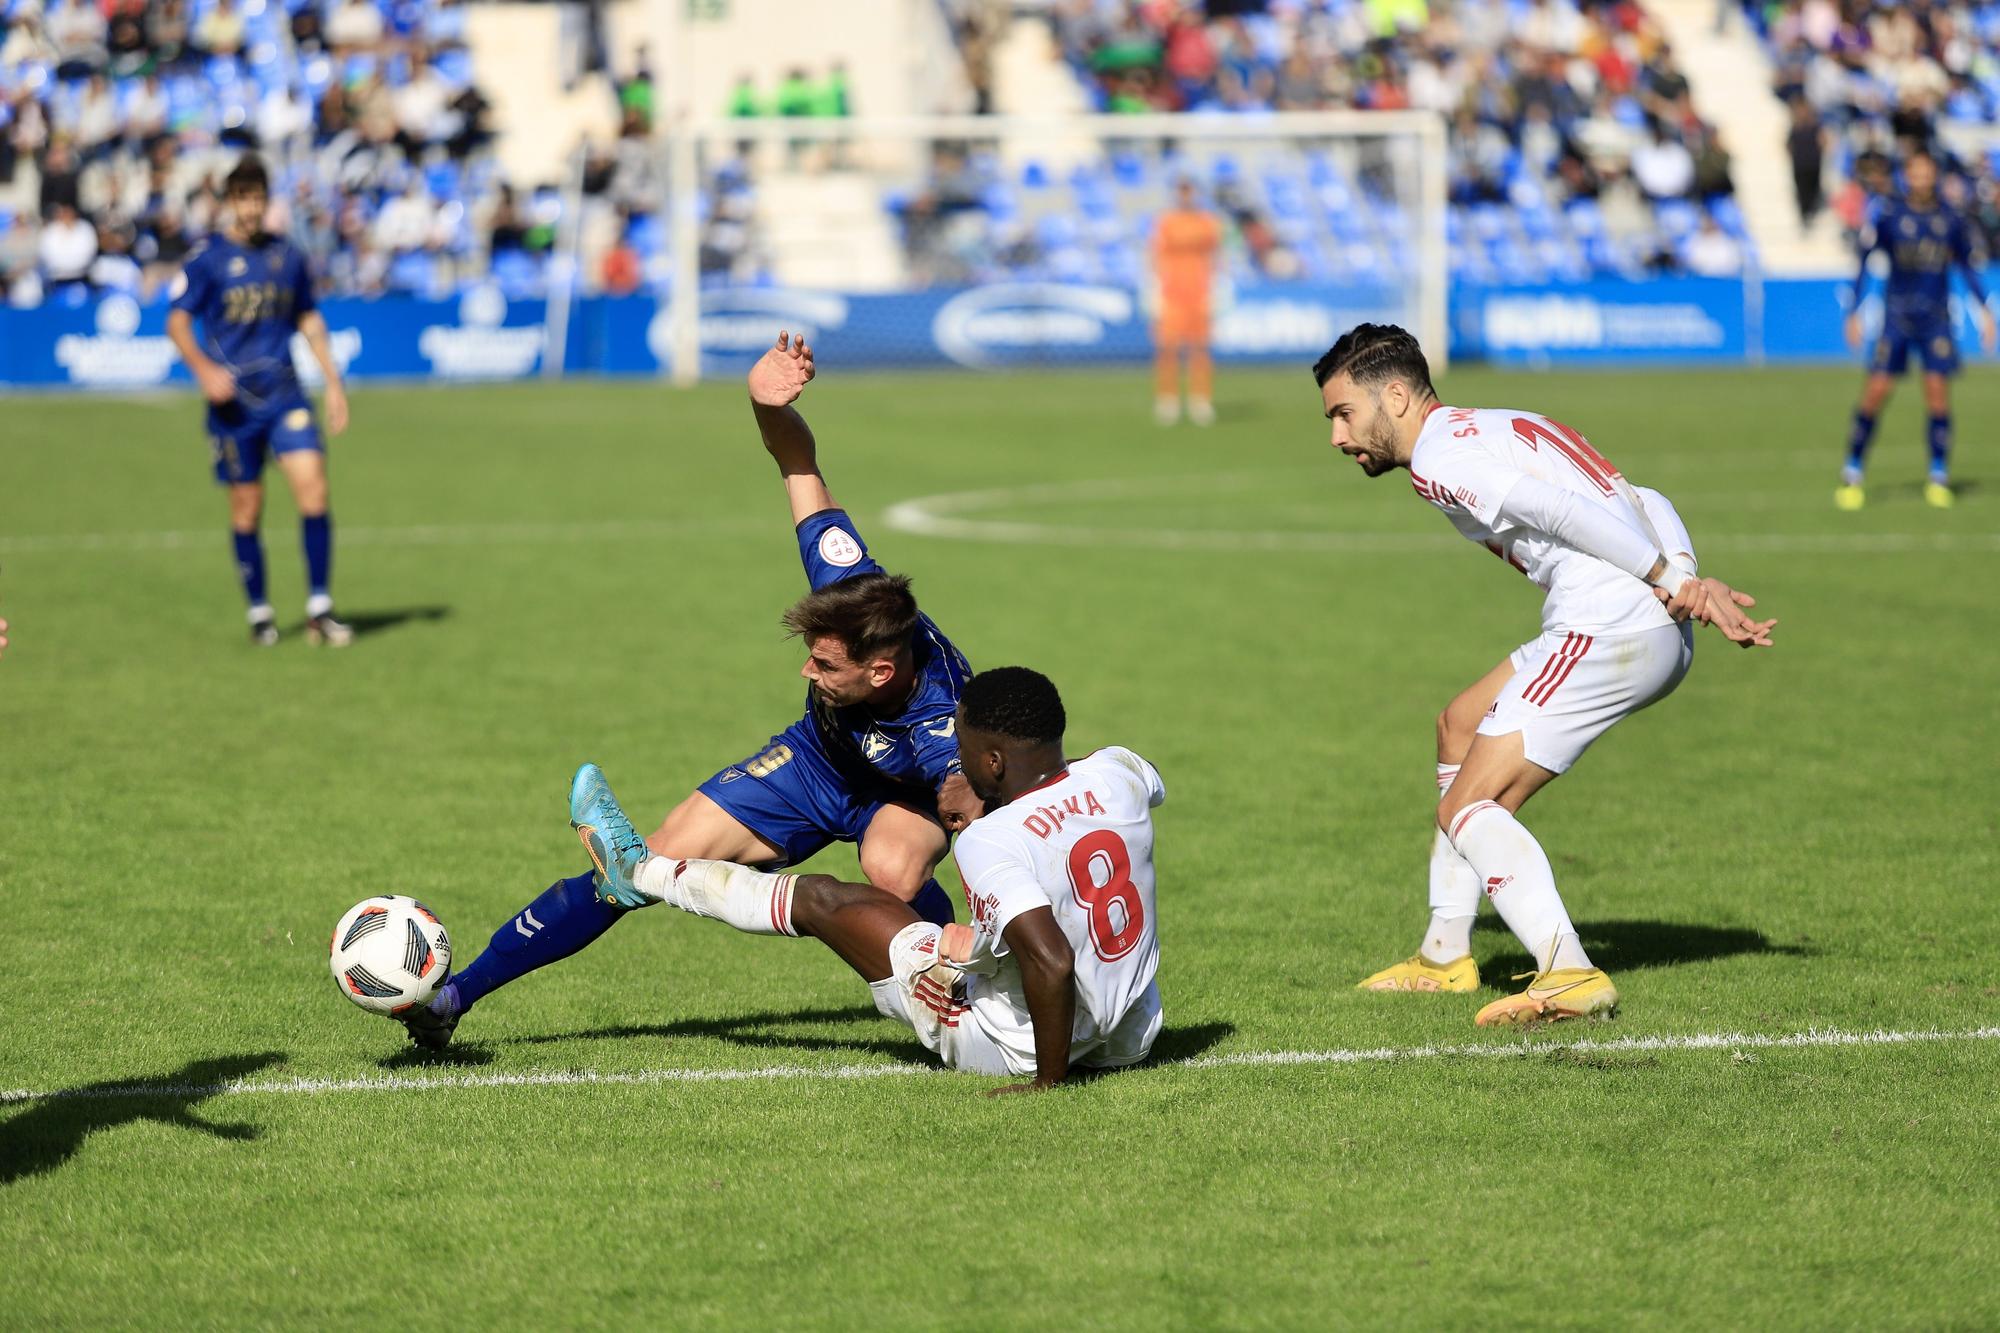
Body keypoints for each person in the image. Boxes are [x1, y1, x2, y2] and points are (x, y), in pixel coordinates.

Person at [401, 332, 980, 1049]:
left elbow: (980, 817)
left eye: (825, 666)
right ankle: (455, 997)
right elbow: (797, 461)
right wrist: (765, 404)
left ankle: (966, 970)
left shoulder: (944, 727)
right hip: (818, 762)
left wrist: (979, 915)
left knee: (889, 867)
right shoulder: (846, 582)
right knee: (645, 863)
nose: (807, 671)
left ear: (882, 672)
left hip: (907, 794)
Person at [1314, 324, 1776, 1026]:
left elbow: (1555, 508)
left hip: (1608, 621)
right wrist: (1684, 574)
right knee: (1459, 726)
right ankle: (1444, 953)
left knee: (1467, 808)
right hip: (1635, 614)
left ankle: (1567, 970)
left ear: (1398, 395)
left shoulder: (1440, 457)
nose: (1337, 436)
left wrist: (1663, 575)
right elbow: (1641, 493)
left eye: (1343, 413)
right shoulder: (1494, 423)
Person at [566, 666, 1166, 1090]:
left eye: (960, 747)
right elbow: (1116, 794)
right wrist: (983, 944)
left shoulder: (991, 840)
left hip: (1020, 1042)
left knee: (824, 900)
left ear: (993, 762)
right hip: (1131, 1034)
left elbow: (1052, 960)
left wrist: (1047, 1081)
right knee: (955, 939)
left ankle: (640, 870)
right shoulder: (1120, 771)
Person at [166, 155, 353, 647]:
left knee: (314, 489)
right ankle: (260, 611)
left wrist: (333, 381)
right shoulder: (206, 260)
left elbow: (308, 319)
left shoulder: (288, 257)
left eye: (258, 198)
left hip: (285, 395)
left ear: (268, 201)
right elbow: (177, 321)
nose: (251, 208)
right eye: (242, 199)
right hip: (234, 408)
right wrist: (204, 370)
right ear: (229, 203)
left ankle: (319, 607)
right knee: (247, 507)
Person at [1838, 149, 1996, 511]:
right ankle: (1853, 470)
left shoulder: (1950, 218)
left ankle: (1938, 476)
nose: (1921, 179)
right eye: (1915, 173)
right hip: (1897, 316)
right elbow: (1864, 261)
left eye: (1927, 173)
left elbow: (1968, 270)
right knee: (1875, 392)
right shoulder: (1891, 215)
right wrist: (1854, 311)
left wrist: (1985, 311)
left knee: (1937, 394)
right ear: (1906, 176)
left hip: (1935, 318)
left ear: (1934, 176)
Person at [1149, 179, 1223, 426]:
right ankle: (1167, 400)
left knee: (1199, 349)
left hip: (1199, 292)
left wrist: (1217, 288)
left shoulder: (1206, 222)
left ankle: (1200, 400)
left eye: (1189, 191)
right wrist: (1154, 289)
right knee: (1167, 348)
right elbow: (1156, 256)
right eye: (1181, 191)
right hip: (1172, 293)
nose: (1185, 196)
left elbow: (1215, 256)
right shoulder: (1167, 222)